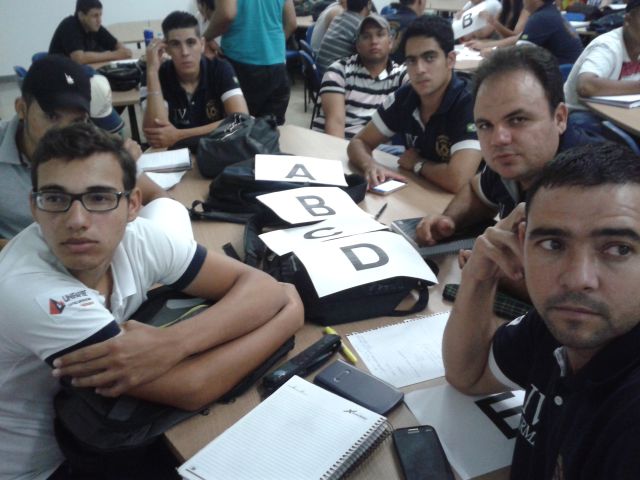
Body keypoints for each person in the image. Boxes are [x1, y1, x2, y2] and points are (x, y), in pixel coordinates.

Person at [0, 122, 304, 479]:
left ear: (132, 205)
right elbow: (193, 386)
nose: (77, 220)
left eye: (99, 198)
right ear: (34, 207)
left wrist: (174, 342)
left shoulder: (140, 238)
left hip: (93, 427)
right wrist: (290, 315)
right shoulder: (32, 292)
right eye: (55, 199)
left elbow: (260, 285)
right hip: (44, 466)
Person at [442, 142, 640, 479]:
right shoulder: (557, 325)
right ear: (521, 242)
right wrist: (479, 273)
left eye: (618, 249)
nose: (577, 279)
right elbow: (467, 375)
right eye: (552, 244)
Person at [415, 45, 592, 246]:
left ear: (560, 118)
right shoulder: (515, 160)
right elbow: (477, 192)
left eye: (517, 120)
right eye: (485, 125)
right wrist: (449, 219)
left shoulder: (591, 191)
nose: (498, 139)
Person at [0, 55, 168, 245]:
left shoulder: (94, 142)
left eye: (77, 121)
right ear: (21, 108)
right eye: (52, 116)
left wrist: (154, 246)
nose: (64, 133)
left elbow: (159, 197)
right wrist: (38, 252)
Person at [347, 15, 482, 194]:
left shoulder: (469, 103)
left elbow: (458, 180)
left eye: (429, 58)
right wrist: (370, 165)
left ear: (450, 60)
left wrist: (417, 164)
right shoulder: (406, 96)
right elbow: (358, 142)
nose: (419, 69)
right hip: (421, 192)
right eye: (411, 60)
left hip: (473, 203)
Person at [143, 11, 248, 149]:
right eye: (175, 44)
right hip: (175, 154)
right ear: (166, 49)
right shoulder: (158, 74)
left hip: (217, 150)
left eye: (191, 42)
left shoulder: (220, 68)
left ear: (202, 44)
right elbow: (156, 136)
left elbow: (241, 119)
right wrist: (152, 72)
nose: (185, 52)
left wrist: (178, 135)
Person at [312, 14, 408, 139]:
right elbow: (335, 125)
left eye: (380, 35)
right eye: (366, 36)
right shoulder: (339, 71)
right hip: (337, 144)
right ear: (357, 45)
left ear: (390, 42)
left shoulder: (400, 75)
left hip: (376, 148)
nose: (374, 41)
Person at [203, 0, 297, 125]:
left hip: (241, 63)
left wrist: (204, 38)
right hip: (277, 65)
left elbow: (227, 14)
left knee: (236, 128)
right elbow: (291, 22)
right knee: (270, 131)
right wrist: (273, 45)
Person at [563, 0, 640, 136]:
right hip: (581, 117)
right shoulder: (607, 46)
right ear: (628, 20)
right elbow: (586, 86)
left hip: (618, 113)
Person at [466, 0, 584, 65]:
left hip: (560, 76)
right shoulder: (549, 12)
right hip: (565, 71)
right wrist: (487, 46)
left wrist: (493, 52)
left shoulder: (541, 18)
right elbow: (519, 38)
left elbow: (518, 53)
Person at [49, 0, 132, 65]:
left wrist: (123, 51)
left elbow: (118, 46)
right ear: (81, 15)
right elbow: (79, 58)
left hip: (79, 72)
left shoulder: (95, 27)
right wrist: (115, 55)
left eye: (100, 15)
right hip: (58, 74)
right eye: (95, 16)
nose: (99, 20)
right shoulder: (69, 25)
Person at [316, 0, 371, 73]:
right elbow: (369, 57)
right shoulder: (360, 24)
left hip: (321, 69)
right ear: (369, 4)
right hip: (334, 74)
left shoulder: (338, 17)